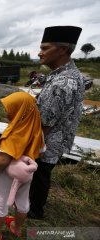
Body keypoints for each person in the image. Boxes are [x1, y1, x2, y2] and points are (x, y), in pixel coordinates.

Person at [28, 26, 85, 219]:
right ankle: (33, 205)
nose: (40, 52)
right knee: (40, 175)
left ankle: (34, 210)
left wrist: (27, 145)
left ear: (62, 49)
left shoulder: (63, 82)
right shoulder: (64, 74)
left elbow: (45, 124)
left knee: (39, 175)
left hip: (48, 141)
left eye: (45, 48)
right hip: (55, 138)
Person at [0, 91, 45, 239]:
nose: (6, 112)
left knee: (1, 202)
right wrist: (26, 158)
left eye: (10, 109)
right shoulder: (37, 129)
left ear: (20, 111)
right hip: (27, 173)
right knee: (22, 201)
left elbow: (4, 159)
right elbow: (41, 153)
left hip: (8, 175)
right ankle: (16, 227)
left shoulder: (16, 133)